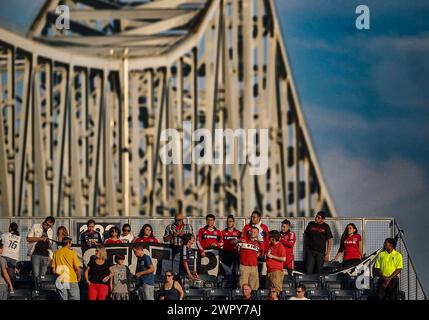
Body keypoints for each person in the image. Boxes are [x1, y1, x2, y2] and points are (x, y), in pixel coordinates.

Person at [236, 226, 261, 290]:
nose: (253, 233)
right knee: (242, 287)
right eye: (251, 231)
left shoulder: (258, 243)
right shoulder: (244, 240)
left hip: (254, 267)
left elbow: (258, 253)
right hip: (244, 267)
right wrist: (239, 240)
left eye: (255, 232)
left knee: (254, 287)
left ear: (257, 234)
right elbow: (232, 242)